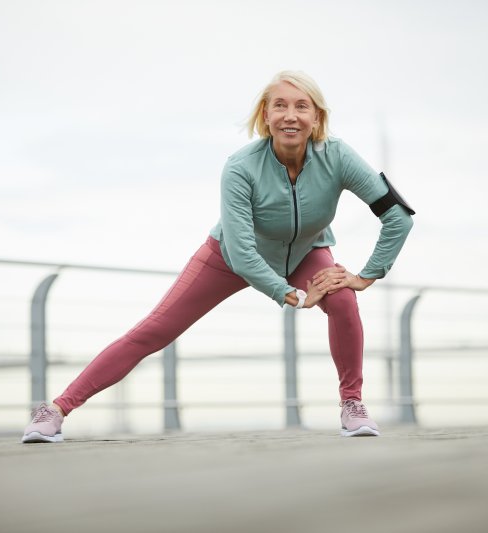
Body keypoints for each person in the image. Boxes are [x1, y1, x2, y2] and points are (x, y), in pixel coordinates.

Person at [22, 70, 414, 443]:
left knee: (343, 298)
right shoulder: (241, 167)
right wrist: (292, 295)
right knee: (155, 329)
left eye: (301, 106)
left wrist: (366, 275)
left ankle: (352, 405)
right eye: (279, 105)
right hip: (227, 257)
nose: (290, 116)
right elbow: (243, 253)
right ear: (265, 114)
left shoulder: (338, 156)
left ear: (317, 116)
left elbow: (397, 217)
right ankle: (56, 410)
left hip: (307, 254)